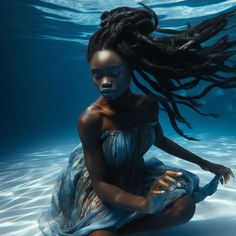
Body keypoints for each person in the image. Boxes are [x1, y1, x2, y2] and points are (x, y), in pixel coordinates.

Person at [38, 3, 235, 236]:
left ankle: (125, 231)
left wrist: (205, 163)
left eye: (114, 72)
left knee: (185, 209)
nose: (105, 82)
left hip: (137, 173)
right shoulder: (91, 119)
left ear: (130, 68)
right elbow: (100, 184)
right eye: (97, 74)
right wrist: (145, 205)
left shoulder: (148, 104)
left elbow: (159, 140)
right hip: (101, 187)